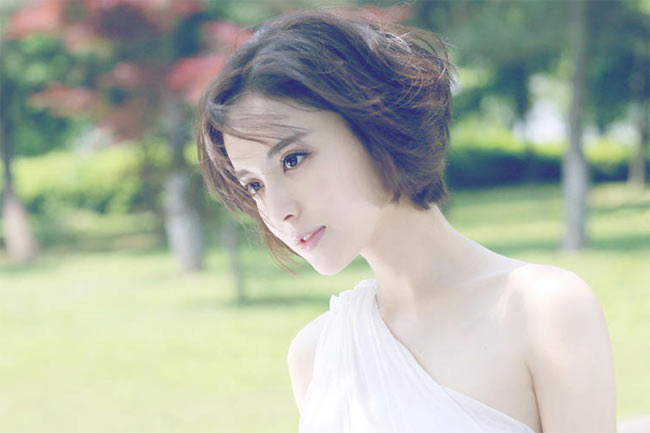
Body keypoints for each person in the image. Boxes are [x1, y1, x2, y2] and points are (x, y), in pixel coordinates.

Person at [196, 8, 616, 433]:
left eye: (293, 159)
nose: (277, 210)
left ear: (374, 127)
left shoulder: (541, 309)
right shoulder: (315, 356)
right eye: (254, 185)